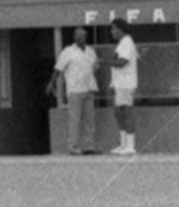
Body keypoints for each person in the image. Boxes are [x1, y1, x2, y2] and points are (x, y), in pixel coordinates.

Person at [52, 26, 100, 156]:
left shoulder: (90, 51)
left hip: (89, 88)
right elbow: (58, 68)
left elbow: (95, 67)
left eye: (84, 35)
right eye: (79, 36)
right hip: (75, 89)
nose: (82, 38)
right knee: (75, 119)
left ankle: (89, 147)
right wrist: (51, 83)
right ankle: (74, 147)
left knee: (90, 120)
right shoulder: (68, 51)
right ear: (74, 37)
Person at [108, 18, 139, 156]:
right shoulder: (122, 43)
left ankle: (131, 146)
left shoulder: (127, 42)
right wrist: (112, 83)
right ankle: (123, 143)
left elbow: (122, 62)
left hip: (126, 83)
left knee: (127, 112)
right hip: (119, 83)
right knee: (119, 113)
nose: (111, 32)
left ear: (120, 29)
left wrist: (103, 62)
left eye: (113, 28)